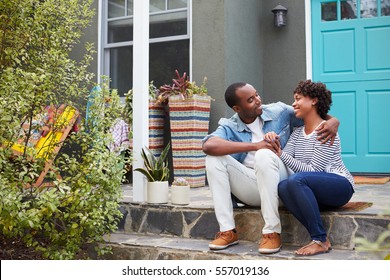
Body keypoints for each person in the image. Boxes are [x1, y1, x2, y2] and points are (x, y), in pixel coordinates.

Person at [202, 82, 340, 254]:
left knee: (265, 155)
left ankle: (272, 232)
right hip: (252, 187)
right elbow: (208, 145)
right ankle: (227, 230)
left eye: (257, 95)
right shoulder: (229, 126)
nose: (258, 100)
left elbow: (311, 111)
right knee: (214, 159)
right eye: (251, 100)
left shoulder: (279, 112)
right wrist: (255, 146)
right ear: (237, 108)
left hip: (282, 184)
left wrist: (334, 121)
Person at [265, 79, 355, 256]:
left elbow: (314, 171)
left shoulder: (326, 131)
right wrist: (274, 141)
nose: (294, 103)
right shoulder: (297, 133)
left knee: (296, 180)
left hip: (340, 185)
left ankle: (319, 239)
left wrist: (281, 154)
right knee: (283, 187)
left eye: (298, 98)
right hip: (315, 189)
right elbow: (284, 157)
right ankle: (320, 238)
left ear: (314, 100)